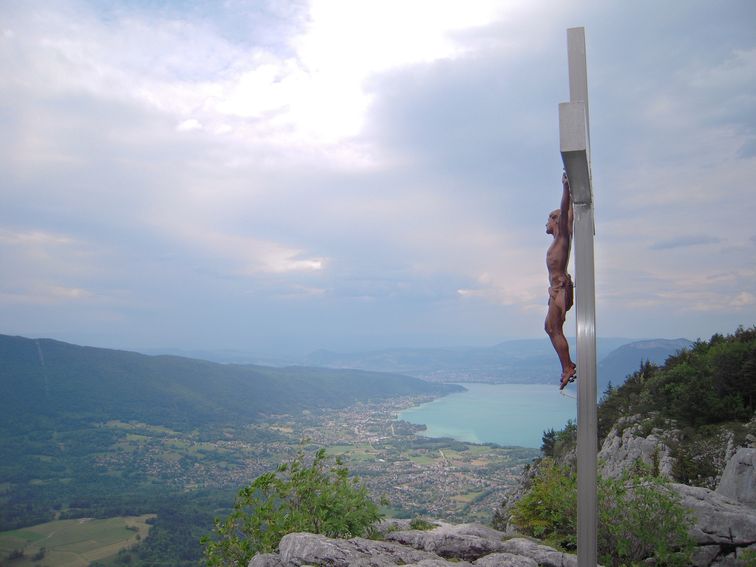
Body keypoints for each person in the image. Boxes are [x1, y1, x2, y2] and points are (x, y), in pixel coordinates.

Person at [545, 172, 576, 390]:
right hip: (555, 290)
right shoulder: (558, 241)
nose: (545, 225)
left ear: (555, 220)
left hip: (560, 289)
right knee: (550, 327)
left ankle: (568, 367)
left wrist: (566, 189)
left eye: (548, 219)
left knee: (553, 328)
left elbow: (566, 213)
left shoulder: (562, 237)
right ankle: (567, 365)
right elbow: (569, 213)